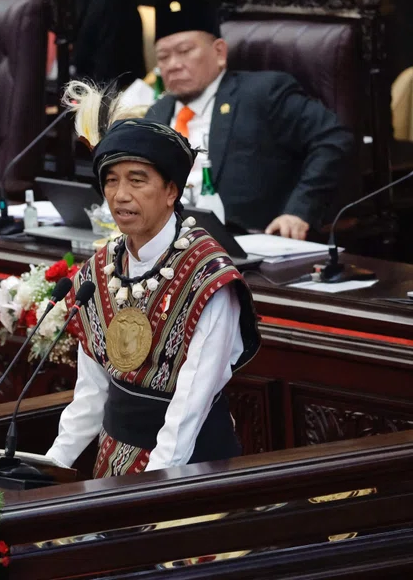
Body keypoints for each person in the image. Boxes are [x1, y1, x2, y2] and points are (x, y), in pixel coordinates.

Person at [45, 81, 260, 478]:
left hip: (190, 470)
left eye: (137, 180)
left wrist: (151, 491)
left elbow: (190, 405)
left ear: (171, 191)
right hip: (112, 464)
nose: (120, 195)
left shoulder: (207, 275)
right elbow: (91, 393)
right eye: (111, 180)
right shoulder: (99, 268)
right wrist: (51, 466)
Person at [145, 0, 353, 240]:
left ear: (219, 52)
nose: (173, 65)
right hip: (169, 245)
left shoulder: (262, 93)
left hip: (248, 243)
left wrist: (299, 212)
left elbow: (333, 138)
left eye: (185, 51)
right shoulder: (157, 112)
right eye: (163, 57)